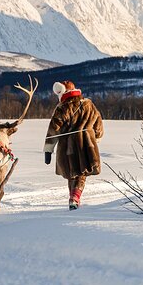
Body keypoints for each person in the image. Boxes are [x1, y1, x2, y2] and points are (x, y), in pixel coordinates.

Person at [43, 81, 104, 210]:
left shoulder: (62, 107)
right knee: (83, 172)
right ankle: (75, 197)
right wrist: (96, 137)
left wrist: (48, 149)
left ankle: (73, 198)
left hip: (67, 145)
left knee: (72, 172)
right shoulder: (88, 104)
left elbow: (54, 129)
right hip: (87, 144)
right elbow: (98, 124)